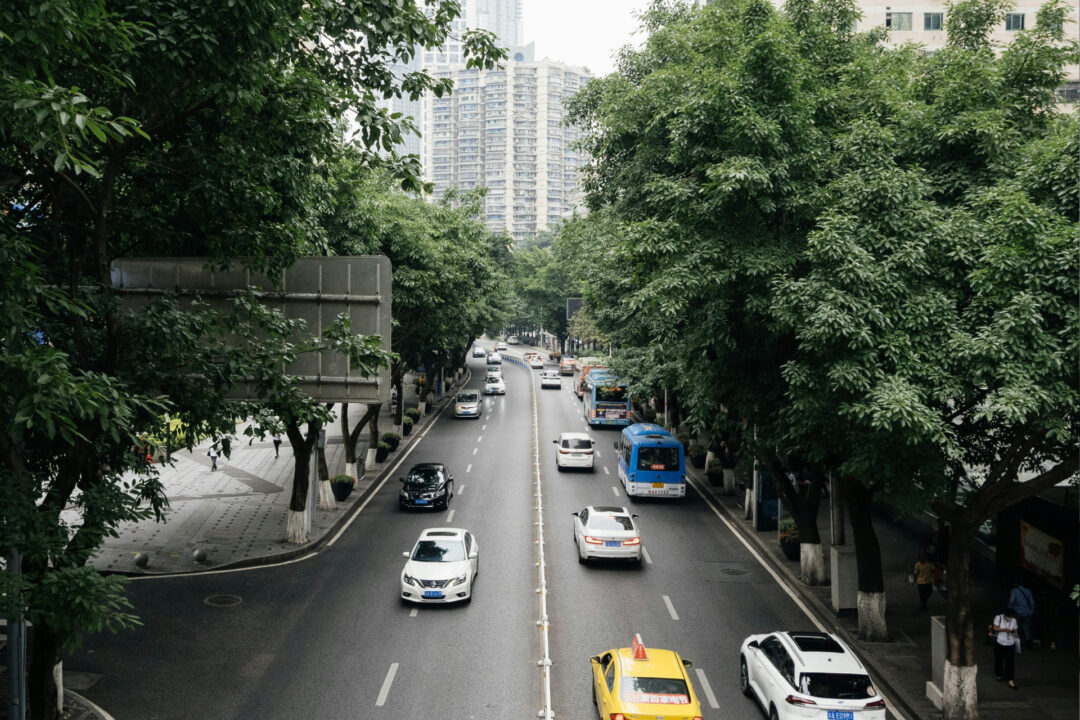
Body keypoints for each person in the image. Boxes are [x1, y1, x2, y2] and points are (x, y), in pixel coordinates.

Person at [992, 608, 1020, 688]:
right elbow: (995, 628)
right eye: (1008, 616)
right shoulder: (998, 617)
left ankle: (1010, 679)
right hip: (1000, 642)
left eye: (1011, 617)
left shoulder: (1014, 620)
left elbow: (1016, 631)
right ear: (1005, 615)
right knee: (999, 659)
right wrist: (1004, 629)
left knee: (1010, 662)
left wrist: (1014, 633)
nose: (1010, 618)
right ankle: (999, 674)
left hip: (1010, 643)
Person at [1007, 579, 1035, 649]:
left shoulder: (1014, 591)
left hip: (1017, 612)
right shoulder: (1028, 591)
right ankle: (1029, 644)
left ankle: (1015, 644)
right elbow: (1032, 602)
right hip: (1027, 613)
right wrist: (1031, 612)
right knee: (1026, 629)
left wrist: (1009, 609)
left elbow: (1012, 601)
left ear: (1016, 584)